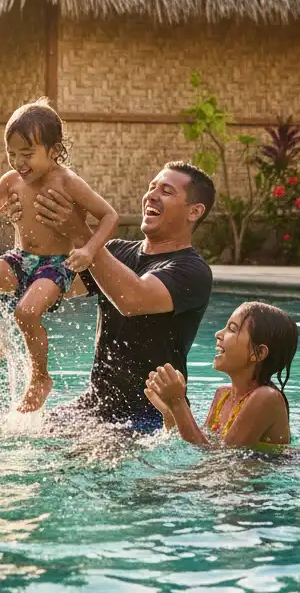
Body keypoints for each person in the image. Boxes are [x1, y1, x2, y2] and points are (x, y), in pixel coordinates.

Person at [0, 99, 119, 412]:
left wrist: (89, 250)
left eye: (27, 154)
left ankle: (41, 377)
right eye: (12, 154)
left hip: (57, 265)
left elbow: (109, 215)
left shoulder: (68, 182)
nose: (18, 162)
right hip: (20, 257)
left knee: (26, 313)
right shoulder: (11, 181)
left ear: (53, 151)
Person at [24, 161, 216, 432]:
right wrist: (29, 230)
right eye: (151, 187)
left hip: (153, 416)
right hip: (95, 404)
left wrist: (82, 233)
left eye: (167, 191)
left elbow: (132, 299)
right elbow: (53, 289)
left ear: (194, 211)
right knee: (29, 435)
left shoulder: (193, 271)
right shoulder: (113, 251)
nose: (151, 195)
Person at [144, 301, 298, 447]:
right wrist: (170, 413)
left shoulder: (266, 397)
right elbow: (202, 445)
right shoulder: (222, 395)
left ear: (258, 353)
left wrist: (178, 402)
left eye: (232, 329)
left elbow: (219, 459)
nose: (218, 333)